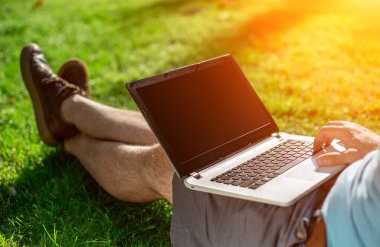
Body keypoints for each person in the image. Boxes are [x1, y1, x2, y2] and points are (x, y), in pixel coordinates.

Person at [20, 43, 380, 247]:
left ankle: (71, 131)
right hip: (337, 179)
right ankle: (69, 110)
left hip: (303, 229)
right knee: (194, 146)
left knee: (168, 165)